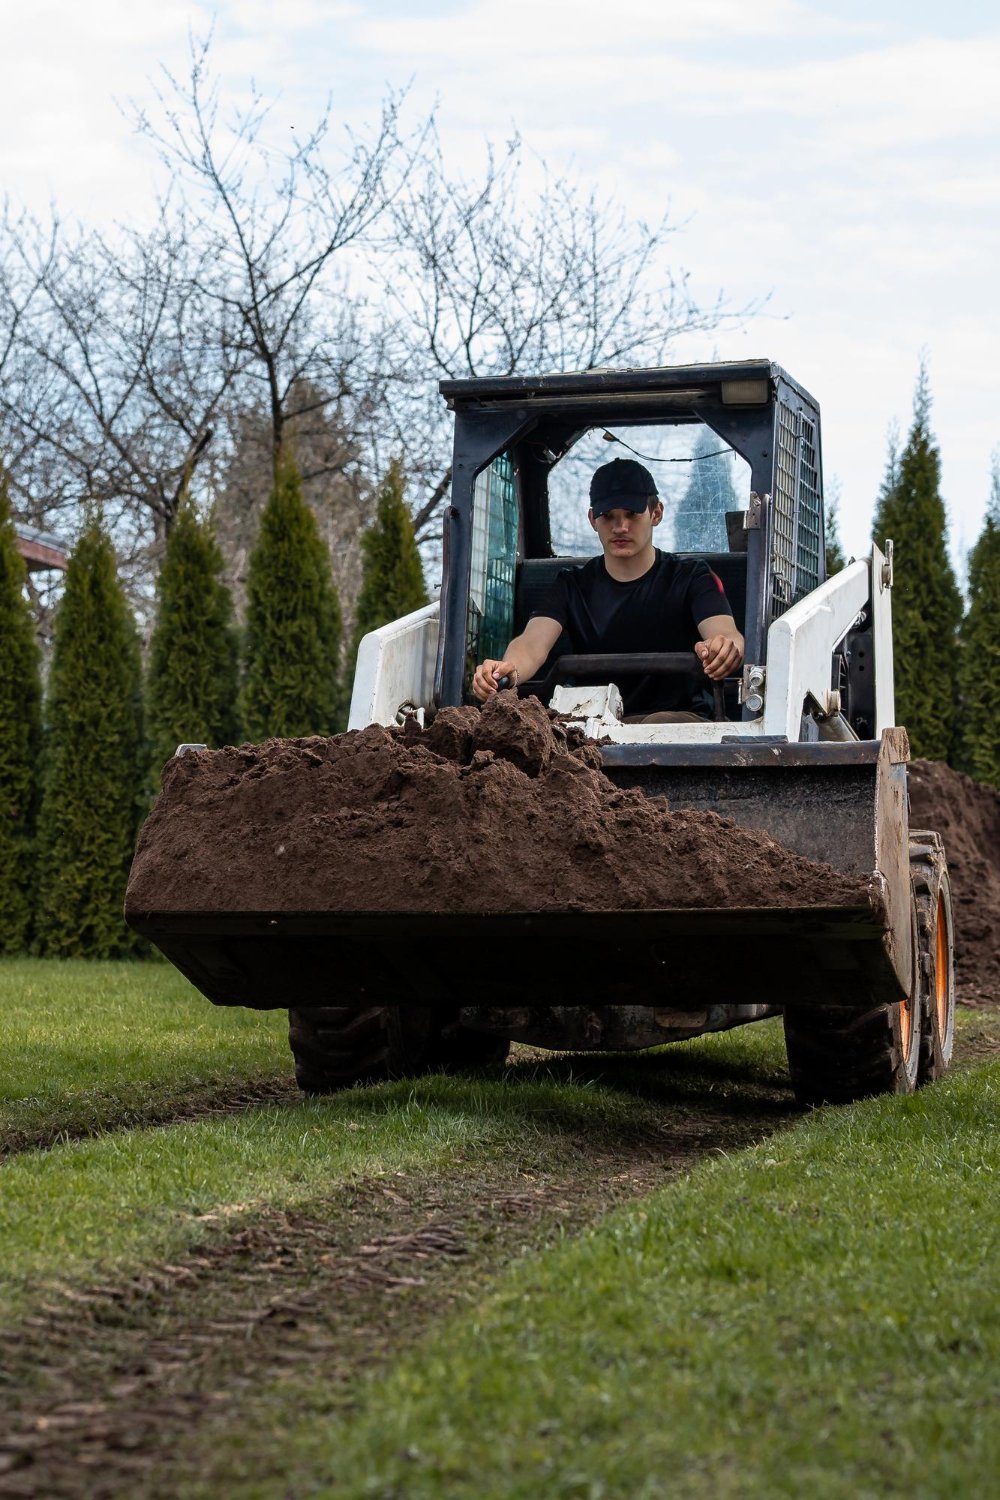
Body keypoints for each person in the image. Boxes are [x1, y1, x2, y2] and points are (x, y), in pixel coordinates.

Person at [472, 457, 744, 721]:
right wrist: (508, 671)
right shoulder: (571, 585)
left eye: (632, 514)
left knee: (656, 725)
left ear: (656, 513)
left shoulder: (692, 577)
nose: (620, 527)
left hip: (678, 725)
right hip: (590, 726)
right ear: (593, 520)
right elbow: (532, 643)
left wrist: (723, 649)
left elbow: (725, 634)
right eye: (608, 516)